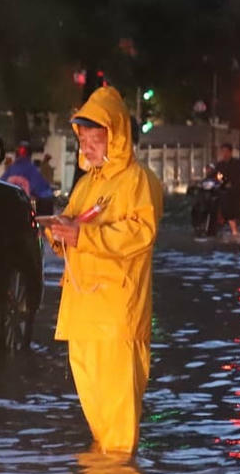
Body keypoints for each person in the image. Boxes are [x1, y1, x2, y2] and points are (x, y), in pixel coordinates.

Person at [43, 87, 164, 455]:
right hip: (82, 314)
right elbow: (73, 232)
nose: (87, 149)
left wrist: (83, 235)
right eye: (83, 140)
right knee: (99, 419)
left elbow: (140, 234)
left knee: (118, 424)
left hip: (116, 315)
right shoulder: (86, 185)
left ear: (116, 137)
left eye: (95, 140)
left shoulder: (138, 181)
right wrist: (59, 233)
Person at [3, 142, 56, 215]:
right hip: (25, 212)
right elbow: (43, 191)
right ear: (30, 155)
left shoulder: (10, 170)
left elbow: (0, 184)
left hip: (8, 211)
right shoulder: (32, 170)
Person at [211, 143, 240, 237]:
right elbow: (215, 176)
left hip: (238, 192)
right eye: (223, 152)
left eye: (226, 152)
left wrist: (234, 184)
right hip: (226, 193)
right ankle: (234, 232)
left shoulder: (238, 164)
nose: (224, 154)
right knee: (229, 213)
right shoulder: (220, 165)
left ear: (230, 152)